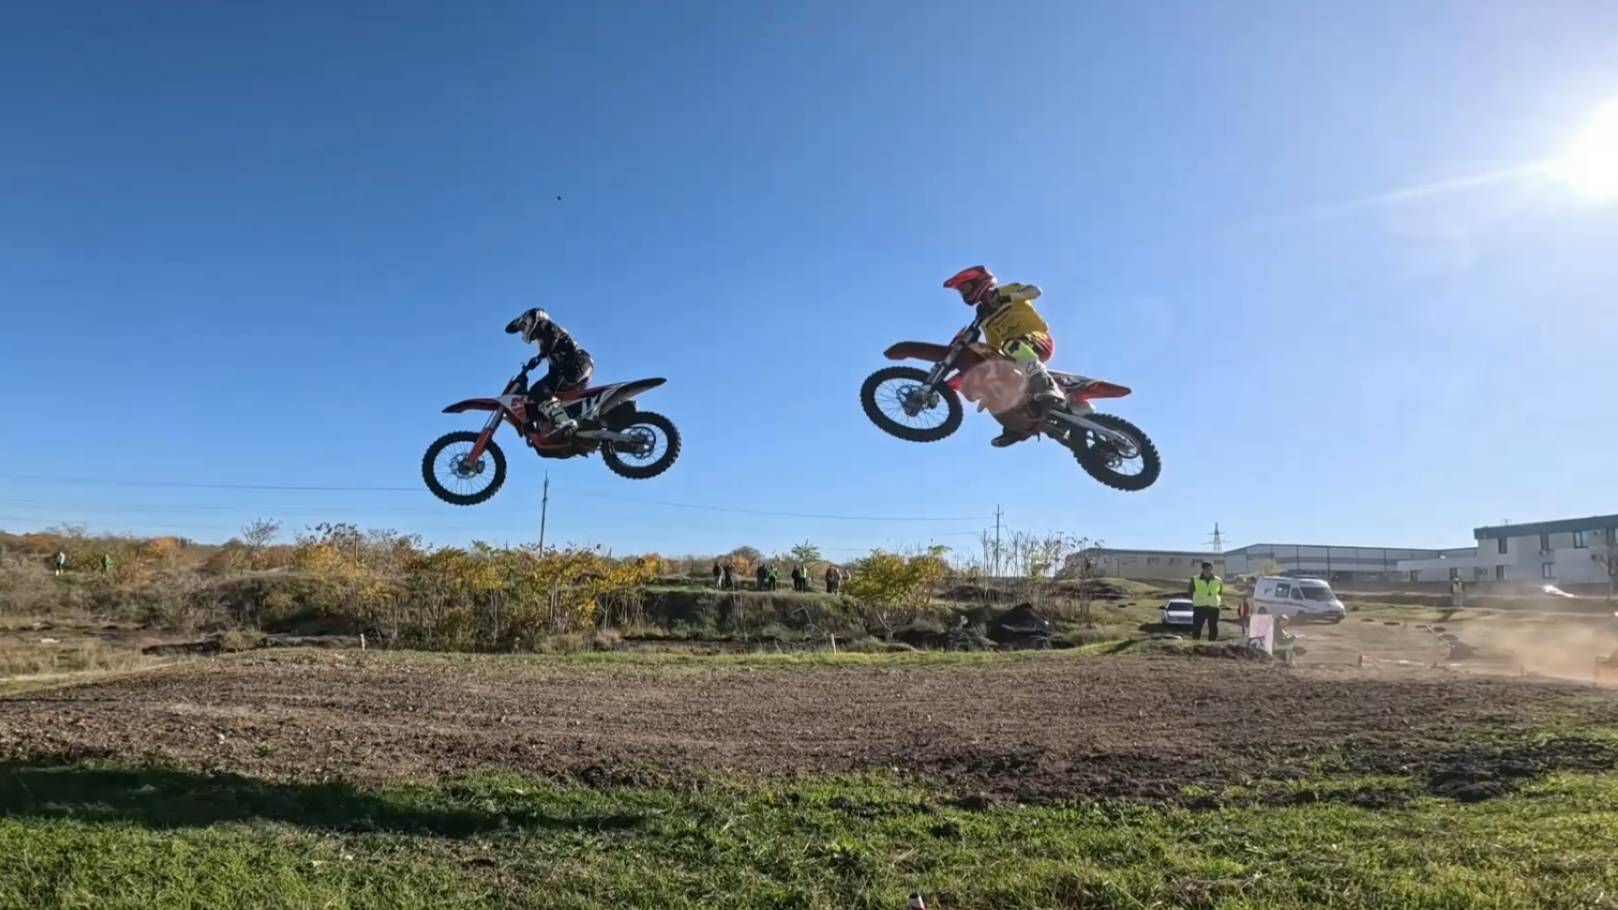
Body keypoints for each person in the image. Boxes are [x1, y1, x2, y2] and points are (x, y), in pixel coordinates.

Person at [943, 265, 1065, 447]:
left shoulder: (1004, 290)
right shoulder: (984, 317)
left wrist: (1011, 297)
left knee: (1011, 345)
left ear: (980, 282)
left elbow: (1035, 291)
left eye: (966, 288)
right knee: (992, 383)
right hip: (1015, 352)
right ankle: (1015, 426)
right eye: (962, 291)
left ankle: (1048, 386)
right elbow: (993, 344)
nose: (965, 294)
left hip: (1037, 339)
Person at [504, 308, 594, 438]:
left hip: (577, 365)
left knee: (538, 390)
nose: (523, 331)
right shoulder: (549, 343)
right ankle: (553, 422)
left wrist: (539, 357)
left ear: (532, 320)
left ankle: (563, 420)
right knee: (542, 392)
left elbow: (552, 339)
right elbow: (553, 372)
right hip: (575, 367)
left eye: (523, 326)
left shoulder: (546, 326)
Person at [1188, 562, 1224, 642]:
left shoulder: (1218, 580)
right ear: (1203, 569)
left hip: (1213, 607)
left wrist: (1216, 600)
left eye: (1210, 569)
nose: (1209, 571)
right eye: (1207, 569)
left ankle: (1212, 643)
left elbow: (1220, 592)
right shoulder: (1195, 579)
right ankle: (1195, 642)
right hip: (1199, 607)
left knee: (1213, 626)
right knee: (1197, 626)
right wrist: (1196, 600)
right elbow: (1190, 592)